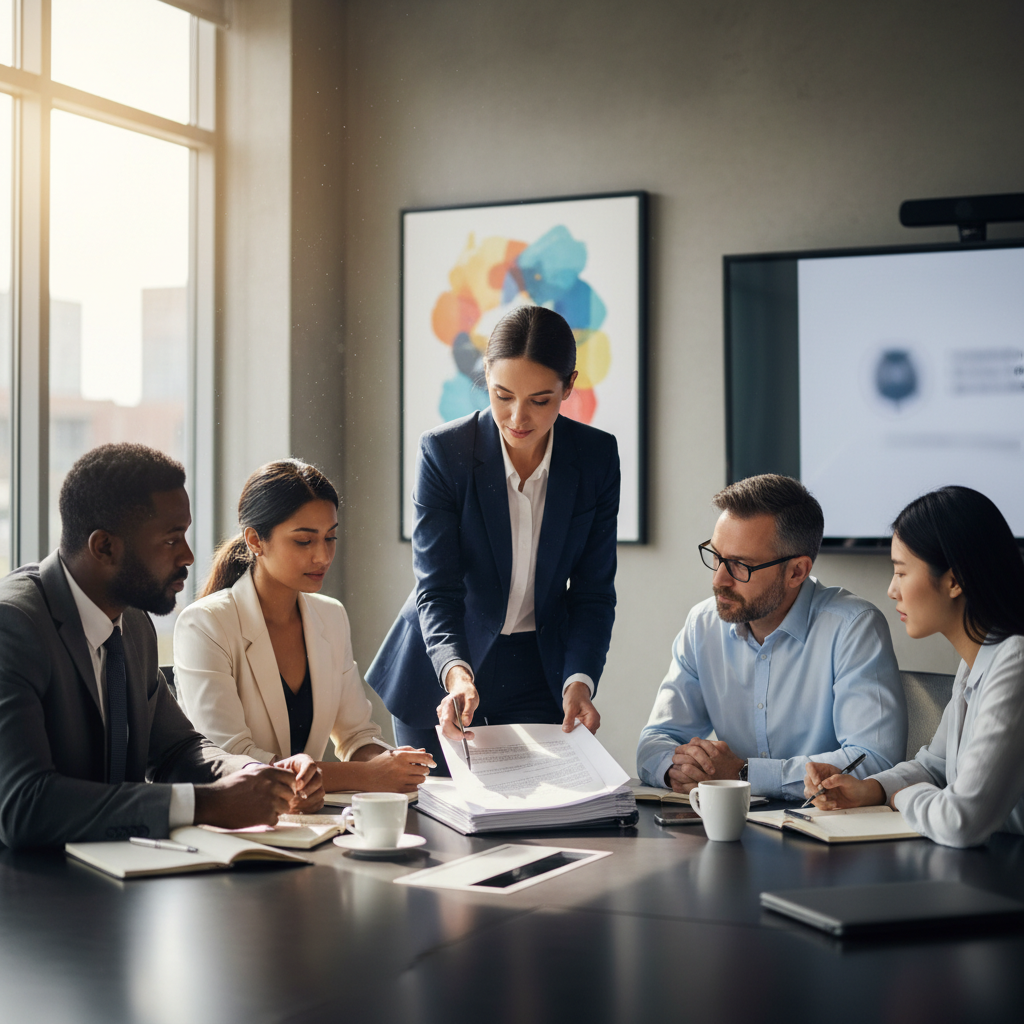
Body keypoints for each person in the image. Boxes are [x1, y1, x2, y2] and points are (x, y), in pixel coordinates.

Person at [0, 444, 316, 850]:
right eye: (171, 540)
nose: (188, 555)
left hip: (123, 877)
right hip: (33, 896)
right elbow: (24, 806)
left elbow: (176, 749)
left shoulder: (132, 622)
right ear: (105, 547)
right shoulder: (14, 626)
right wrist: (206, 803)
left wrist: (258, 774)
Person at [366, 305, 620, 773]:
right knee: (440, 824)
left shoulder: (596, 457)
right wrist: (456, 673)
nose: (518, 417)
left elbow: (592, 592)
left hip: (539, 671)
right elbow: (436, 589)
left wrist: (580, 680)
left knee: (538, 821)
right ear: (486, 375)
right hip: (443, 665)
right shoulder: (445, 453)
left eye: (540, 400)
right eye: (503, 395)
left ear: (569, 385)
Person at [637, 474, 907, 800]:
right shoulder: (703, 625)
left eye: (740, 565)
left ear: (797, 571)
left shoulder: (853, 627)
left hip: (824, 835)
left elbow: (873, 760)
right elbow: (657, 738)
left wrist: (744, 775)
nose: (719, 579)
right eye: (716, 556)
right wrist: (678, 769)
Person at [174, 460, 434, 793]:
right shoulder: (204, 625)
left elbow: (357, 735)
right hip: (236, 822)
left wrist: (393, 762)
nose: (323, 557)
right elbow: (233, 758)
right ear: (255, 540)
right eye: (304, 541)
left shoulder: (331, 616)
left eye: (330, 537)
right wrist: (369, 775)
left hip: (308, 819)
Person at [804, 487, 1024, 847]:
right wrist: (867, 790)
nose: (892, 590)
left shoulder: (1014, 662)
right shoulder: (975, 665)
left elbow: (960, 821)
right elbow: (933, 767)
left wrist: (899, 798)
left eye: (901, 572)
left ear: (954, 580)